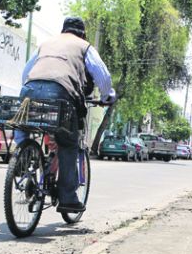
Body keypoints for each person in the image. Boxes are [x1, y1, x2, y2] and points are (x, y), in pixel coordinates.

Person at [14, 16, 117, 213]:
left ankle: (22, 156)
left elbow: (26, 71)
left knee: (24, 125)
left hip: (30, 89)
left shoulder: (46, 44)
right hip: (61, 93)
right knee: (68, 143)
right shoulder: (84, 46)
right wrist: (106, 95)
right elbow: (102, 75)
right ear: (82, 33)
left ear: (64, 30)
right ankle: (68, 197)